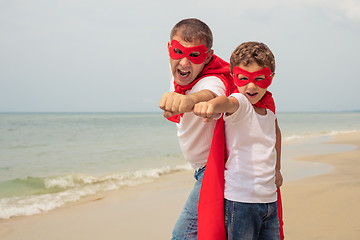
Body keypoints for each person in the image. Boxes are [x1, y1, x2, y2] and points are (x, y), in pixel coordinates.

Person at [193, 41, 283, 239]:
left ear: (271, 78)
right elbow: (227, 102)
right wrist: (210, 105)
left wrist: (277, 169)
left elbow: (275, 135)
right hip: (241, 202)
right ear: (234, 77)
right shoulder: (241, 103)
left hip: (269, 199)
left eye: (260, 78)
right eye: (243, 78)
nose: (251, 86)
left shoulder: (268, 110)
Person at [158, 18, 235, 240]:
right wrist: (174, 106)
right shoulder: (180, 75)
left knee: (183, 235)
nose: (183, 63)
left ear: (208, 57)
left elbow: (211, 93)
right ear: (169, 49)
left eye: (194, 55)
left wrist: (187, 102)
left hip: (216, 172)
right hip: (205, 171)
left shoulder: (212, 79)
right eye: (178, 52)